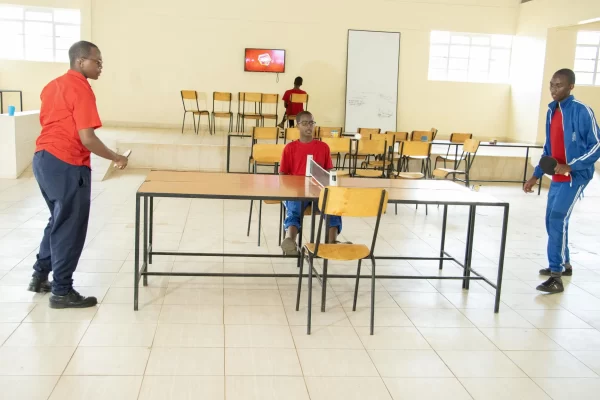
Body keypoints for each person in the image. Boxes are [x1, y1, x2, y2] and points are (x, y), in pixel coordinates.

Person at [27, 41, 129, 308]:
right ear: (80, 61)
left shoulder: (53, 86)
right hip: (67, 162)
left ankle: (39, 277)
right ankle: (61, 291)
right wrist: (116, 157)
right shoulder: (81, 89)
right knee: (70, 227)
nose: (100, 67)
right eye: (97, 62)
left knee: (57, 220)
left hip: (43, 159)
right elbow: (87, 138)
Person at [524, 68, 600, 294]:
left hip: (575, 176)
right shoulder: (552, 111)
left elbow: (597, 145)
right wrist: (536, 174)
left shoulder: (582, 111)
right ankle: (564, 265)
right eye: (551, 85)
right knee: (551, 219)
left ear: (571, 87)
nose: (554, 89)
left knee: (558, 218)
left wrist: (572, 166)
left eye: (559, 85)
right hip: (556, 174)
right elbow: (549, 148)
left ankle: (556, 276)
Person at [279, 111, 342, 255]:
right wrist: (293, 187)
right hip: (298, 192)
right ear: (297, 126)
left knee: (333, 205)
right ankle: (290, 240)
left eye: (311, 122)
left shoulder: (323, 147)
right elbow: (282, 175)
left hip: (318, 191)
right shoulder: (290, 148)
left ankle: (332, 241)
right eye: (305, 123)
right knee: (294, 208)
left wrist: (329, 179)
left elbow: (329, 170)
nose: (309, 126)